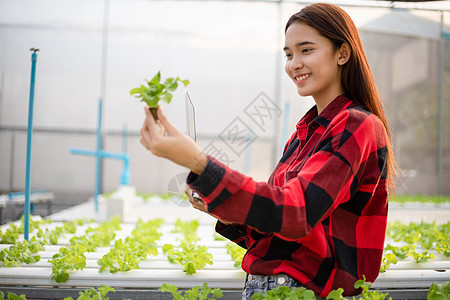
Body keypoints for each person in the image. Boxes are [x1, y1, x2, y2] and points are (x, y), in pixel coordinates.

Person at [139, 2, 395, 298]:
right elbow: (278, 228)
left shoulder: (356, 124)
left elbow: (297, 213)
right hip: (269, 286)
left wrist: (199, 162)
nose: (293, 64)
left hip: (301, 290)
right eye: (288, 54)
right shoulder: (304, 134)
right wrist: (220, 209)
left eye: (306, 50)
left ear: (342, 53)